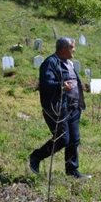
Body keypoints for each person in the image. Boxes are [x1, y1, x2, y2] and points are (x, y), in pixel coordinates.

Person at [29, 37, 90, 179]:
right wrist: (62, 85)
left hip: (74, 108)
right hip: (58, 108)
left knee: (74, 140)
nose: (74, 50)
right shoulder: (50, 63)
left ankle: (72, 171)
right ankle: (36, 156)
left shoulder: (69, 63)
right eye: (72, 47)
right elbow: (46, 84)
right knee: (63, 139)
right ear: (64, 48)